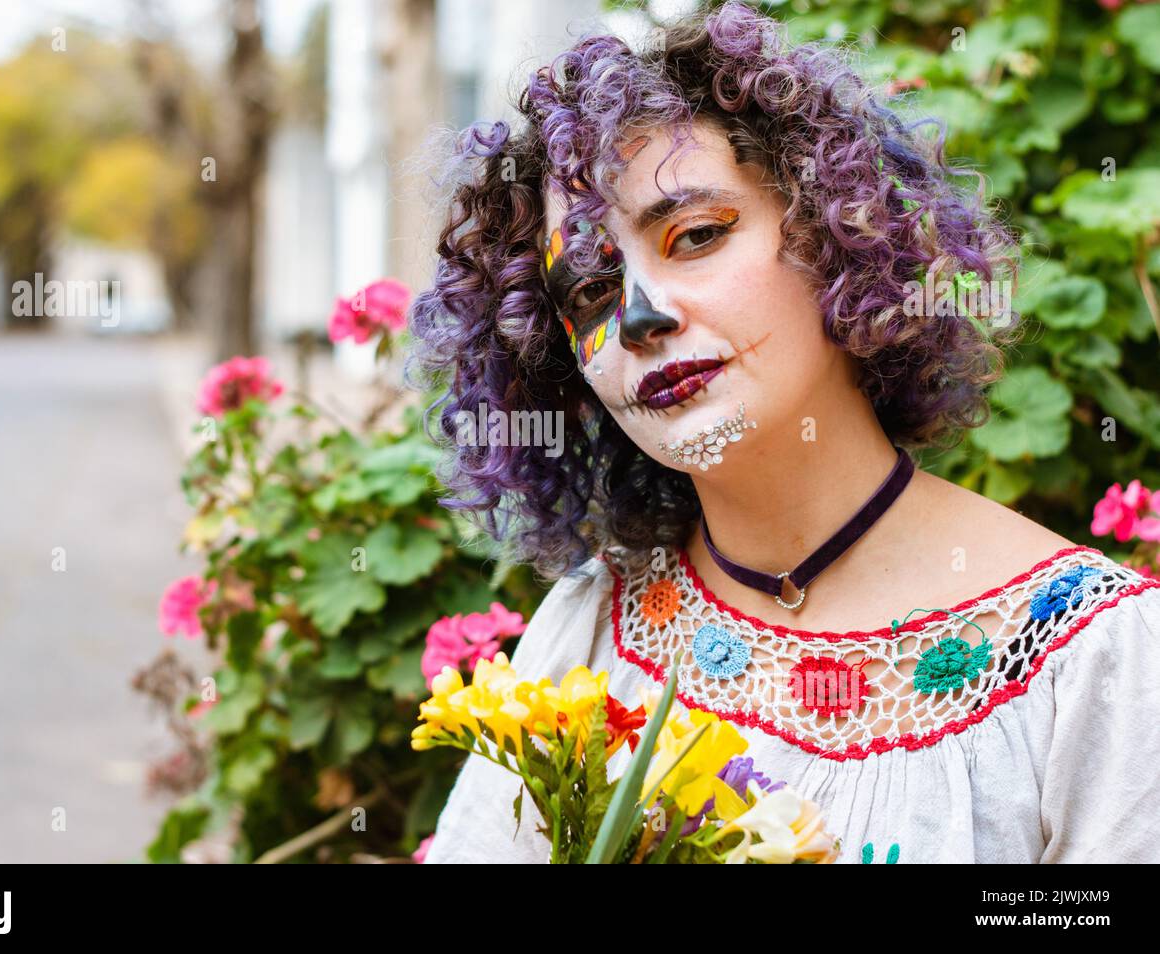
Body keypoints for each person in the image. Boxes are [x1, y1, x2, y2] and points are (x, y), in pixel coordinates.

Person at [406, 2, 1160, 863]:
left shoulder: (1092, 663)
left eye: (694, 236)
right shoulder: (587, 637)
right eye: (587, 293)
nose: (640, 318)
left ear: (837, 232)